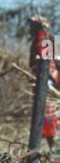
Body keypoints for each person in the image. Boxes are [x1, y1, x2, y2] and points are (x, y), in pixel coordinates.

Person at [28, 14, 59, 154]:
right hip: (49, 82)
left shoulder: (43, 38)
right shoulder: (49, 38)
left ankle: (52, 147)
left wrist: (49, 80)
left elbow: (46, 64)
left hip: (47, 84)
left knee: (46, 115)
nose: (30, 28)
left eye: (32, 25)